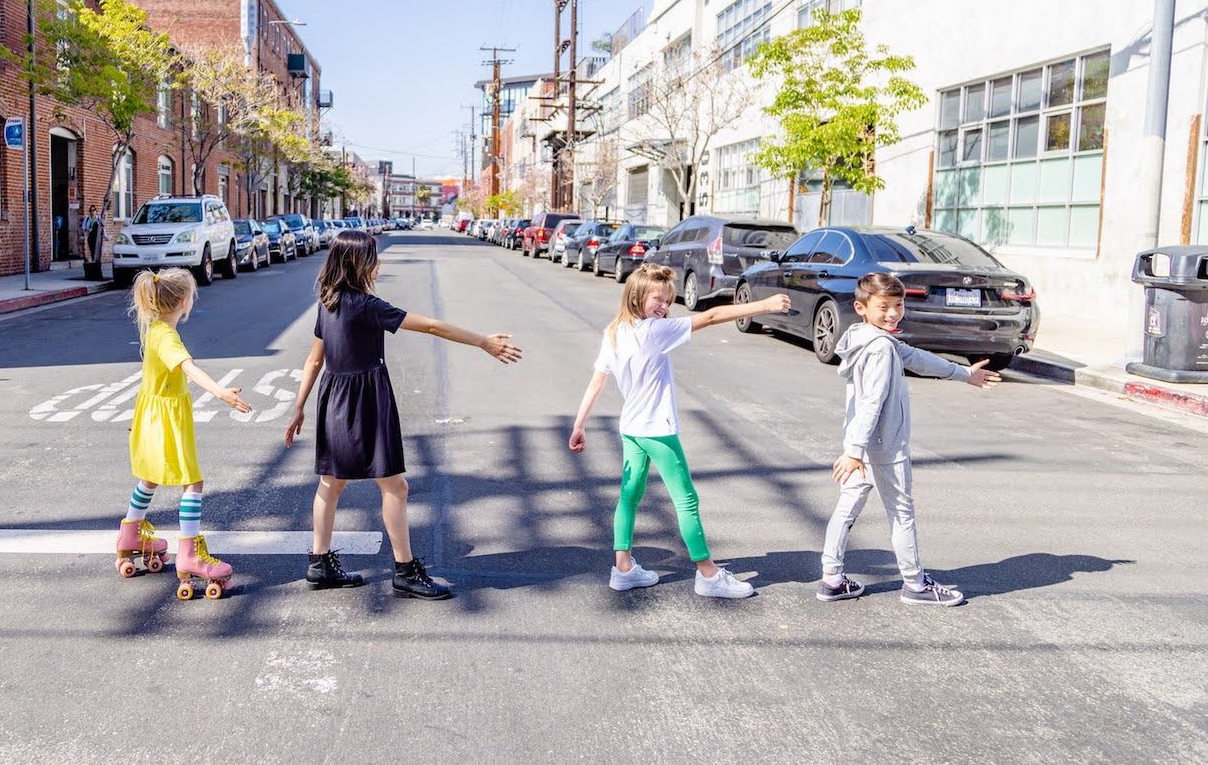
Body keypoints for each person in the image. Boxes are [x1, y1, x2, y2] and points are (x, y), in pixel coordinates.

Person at [284, 229, 521, 600]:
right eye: (374, 257)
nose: (379, 263)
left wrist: (299, 407)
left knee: (330, 484)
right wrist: (482, 341)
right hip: (366, 399)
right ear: (358, 263)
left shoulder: (326, 303)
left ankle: (319, 563)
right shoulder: (366, 305)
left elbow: (315, 359)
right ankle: (405, 571)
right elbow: (430, 325)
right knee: (395, 486)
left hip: (332, 398)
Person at [568, 263, 790, 598]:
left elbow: (597, 381)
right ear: (635, 296)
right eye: (657, 299)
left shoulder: (614, 331)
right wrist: (764, 306)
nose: (664, 306)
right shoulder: (654, 332)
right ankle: (708, 575)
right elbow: (712, 316)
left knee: (629, 497)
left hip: (631, 428)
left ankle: (623, 568)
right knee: (686, 500)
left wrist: (579, 423)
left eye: (668, 300)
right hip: (657, 430)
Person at [817, 271, 1001, 607]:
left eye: (898, 305)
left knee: (846, 508)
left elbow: (917, 358)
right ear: (861, 307)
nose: (892, 313)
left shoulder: (866, 339)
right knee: (901, 512)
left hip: (863, 445)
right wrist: (855, 452)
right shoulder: (881, 350)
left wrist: (964, 374)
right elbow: (872, 402)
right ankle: (915, 585)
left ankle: (832, 578)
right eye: (883, 306)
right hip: (883, 446)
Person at [115, 269, 253, 596]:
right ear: (182, 302)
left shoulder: (155, 330)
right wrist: (220, 392)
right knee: (193, 481)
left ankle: (130, 533)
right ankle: (188, 554)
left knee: (150, 475)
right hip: (167, 418)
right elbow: (187, 368)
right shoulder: (167, 337)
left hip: (152, 412)